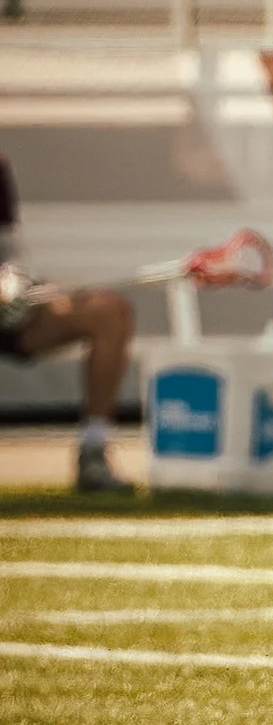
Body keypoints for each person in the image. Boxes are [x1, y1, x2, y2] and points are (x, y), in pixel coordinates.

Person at [0, 154, 136, 494]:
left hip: (8, 310)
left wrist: (17, 283)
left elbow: (9, 250)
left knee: (109, 312)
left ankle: (93, 452)